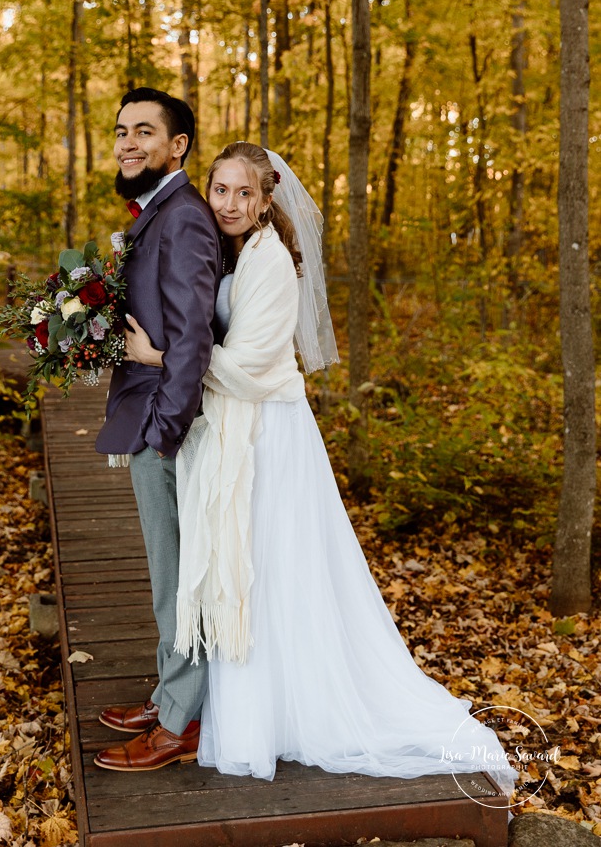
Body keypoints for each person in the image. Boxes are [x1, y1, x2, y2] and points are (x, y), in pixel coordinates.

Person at [101, 140, 516, 796]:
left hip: (268, 437)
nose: (231, 204)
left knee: (256, 573)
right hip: (229, 430)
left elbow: (245, 367)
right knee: (225, 566)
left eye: (245, 193)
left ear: (267, 200)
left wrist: (158, 359)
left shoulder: (270, 263)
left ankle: (225, 716)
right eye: (221, 190)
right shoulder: (224, 248)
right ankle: (182, 701)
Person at [93, 87, 221, 772]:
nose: (127, 142)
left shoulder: (184, 219)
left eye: (144, 131)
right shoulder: (156, 215)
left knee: (180, 577)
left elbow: (193, 336)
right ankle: (167, 690)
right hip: (154, 414)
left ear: (177, 147)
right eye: (121, 131)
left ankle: (181, 722)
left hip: (171, 424)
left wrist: (164, 433)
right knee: (166, 574)